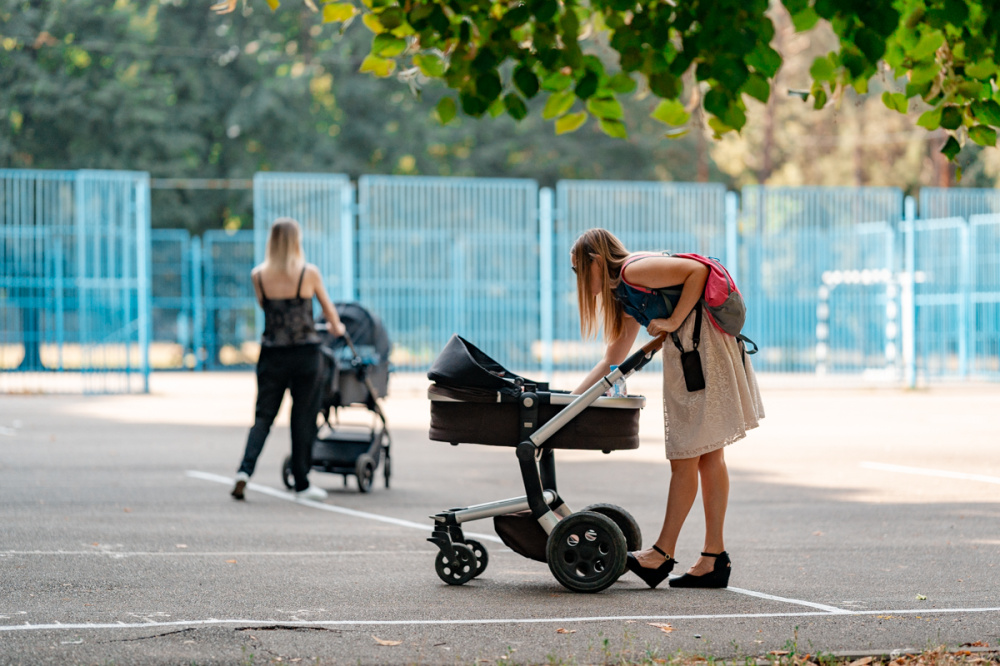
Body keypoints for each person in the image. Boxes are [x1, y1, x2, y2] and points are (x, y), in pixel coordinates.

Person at [571, 228, 764, 589]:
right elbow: (613, 360)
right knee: (707, 456)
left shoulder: (632, 271)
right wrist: (571, 401)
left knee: (685, 457)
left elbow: (698, 272)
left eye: (578, 268)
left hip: (700, 352)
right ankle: (713, 558)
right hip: (698, 353)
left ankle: (661, 554)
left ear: (595, 261)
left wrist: (673, 321)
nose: (578, 278)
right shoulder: (625, 291)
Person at [231, 217, 346, 502]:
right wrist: (337, 328)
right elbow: (331, 315)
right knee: (302, 417)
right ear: (296, 241)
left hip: (272, 355)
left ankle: (244, 471)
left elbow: (267, 309)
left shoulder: (258, 275)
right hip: (306, 355)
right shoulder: (309, 273)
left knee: (263, 416)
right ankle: (302, 483)